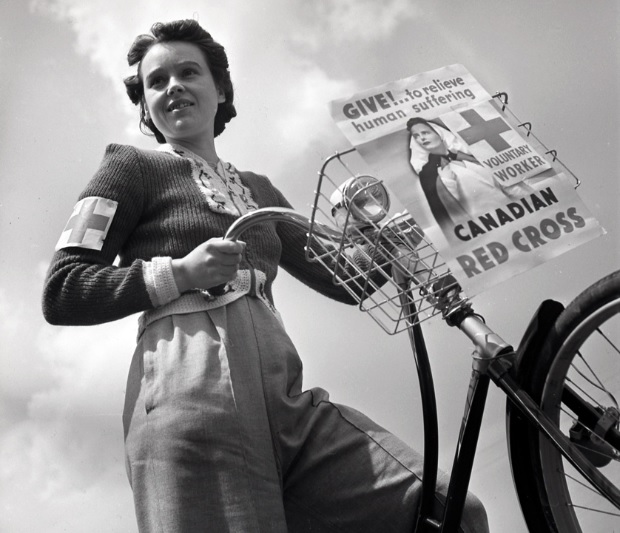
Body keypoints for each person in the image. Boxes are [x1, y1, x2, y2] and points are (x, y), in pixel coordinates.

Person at [42, 19, 489, 532]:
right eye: (157, 82)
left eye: (189, 72)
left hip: (289, 401)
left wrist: (395, 228)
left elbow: (347, 279)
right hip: (190, 397)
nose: (174, 88)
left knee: (448, 510)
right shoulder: (128, 167)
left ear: (221, 88)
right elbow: (64, 289)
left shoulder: (260, 188)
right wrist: (181, 272)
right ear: (144, 105)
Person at [407, 117, 526, 228]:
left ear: (440, 134)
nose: (421, 138)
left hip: (519, 217)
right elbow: (449, 210)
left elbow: (511, 188)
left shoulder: (471, 159)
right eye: (416, 136)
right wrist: (448, 182)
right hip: (486, 228)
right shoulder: (431, 175)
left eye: (425, 133)